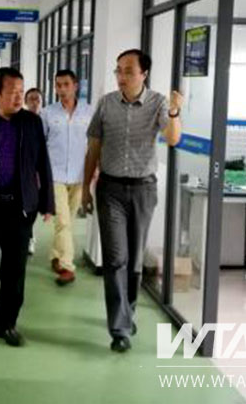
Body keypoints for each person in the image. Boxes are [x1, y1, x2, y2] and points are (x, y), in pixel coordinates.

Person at [82, 49, 183, 353]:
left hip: (143, 190)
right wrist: (86, 187)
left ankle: (128, 311)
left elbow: (173, 138)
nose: (121, 76)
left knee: (134, 260)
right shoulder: (106, 103)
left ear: (143, 74)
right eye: (118, 70)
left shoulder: (158, 103)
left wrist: (175, 112)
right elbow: (93, 147)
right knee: (115, 259)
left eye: (128, 70)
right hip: (110, 189)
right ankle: (119, 328)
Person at [0, 68, 55, 347]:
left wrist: (47, 202)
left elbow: (42, 163)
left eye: (21, 91)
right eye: (12, 92)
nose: (19, 97)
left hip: (20, 208)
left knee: (14, 271)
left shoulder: (31, 122)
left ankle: (5, 323)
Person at [40, 69, 93, 286]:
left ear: (75, 86)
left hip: (80, 175)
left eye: (66, 85)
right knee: (63, 221)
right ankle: (67, 267)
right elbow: (40, 145)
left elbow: (94, 144)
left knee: (67, 221)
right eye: (58, 85)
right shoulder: (47, 113)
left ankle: (56, 254)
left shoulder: (89, 112)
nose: (61, 89)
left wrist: (95, 171)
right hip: (55, 175)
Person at [23, 87, 43, 255]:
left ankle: (29, 235)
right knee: (26, 207)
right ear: (26, 102)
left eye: (38, 99)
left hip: (41, 172)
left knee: (34, 208)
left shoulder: (46, 121)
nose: (35, 102)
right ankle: (29, 237)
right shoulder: (21, 121)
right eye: (31, 99)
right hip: (27, 173)